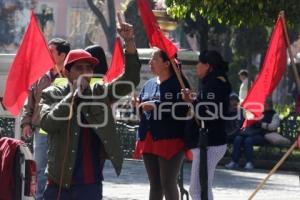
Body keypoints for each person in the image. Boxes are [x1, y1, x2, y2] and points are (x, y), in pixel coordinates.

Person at [40, 20, 141, 199]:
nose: (85, 72)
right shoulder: (51, 93)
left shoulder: (100, 91)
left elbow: (131, 78)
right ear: (66, 73)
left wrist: (130, 42)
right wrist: (73, 96)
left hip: (89, 181)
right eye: (79, 68)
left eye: (89, 68)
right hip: (59, 181)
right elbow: (47, 123)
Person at [133, 48, 190, 200]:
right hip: (149, 138)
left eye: (154, 59)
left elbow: (183, 109)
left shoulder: (179, 84)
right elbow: (142, 110)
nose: (150, 62)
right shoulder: (149, 84)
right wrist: (137, 106)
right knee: (155, 184)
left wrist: (156, 105)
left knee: (168, 183)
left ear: (166, 63)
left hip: (170, 139)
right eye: (150, 59)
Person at [20, 38, 70, 200]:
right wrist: (26, 123)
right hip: (41, 128)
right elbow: (30, 102)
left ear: (62, 55)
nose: (46, 54)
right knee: (40, 167)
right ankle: (40, 197)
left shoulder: (71, 76)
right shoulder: (40, 76)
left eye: (51, 51)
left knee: (60, 167)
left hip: (63, 130)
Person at [181, 50, 232, 200]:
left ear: (207, 66)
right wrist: (193, 101)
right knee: (201, 188)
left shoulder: (216, 83)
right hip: (208, 142)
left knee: (198, 190)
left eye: (199, 63)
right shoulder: (213, 82)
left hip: (210, 142)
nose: (197, 66)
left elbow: (209, 111)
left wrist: (192, 102)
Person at [225, 98, 280, 170]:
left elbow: (273, 127)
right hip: (251, 134)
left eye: (266, 104)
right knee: (238, 138)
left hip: (263, 135)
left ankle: (249, 163)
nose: (265, 105)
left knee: (248, 140)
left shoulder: (274, 114)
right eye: (264, 103)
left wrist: (261, 124)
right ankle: (234, 162)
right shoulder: (257, 112)